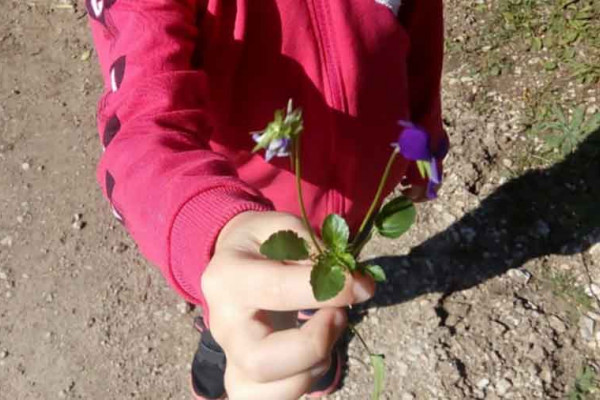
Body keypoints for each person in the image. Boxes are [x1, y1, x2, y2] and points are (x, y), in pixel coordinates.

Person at [86, 0, 447, 398]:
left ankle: (315, 322)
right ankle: (222, 331)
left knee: (331, 272)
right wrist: (213, 231)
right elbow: (141, 128)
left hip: (362, 184)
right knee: (250, 287)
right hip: (250, 210)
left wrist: (423, 146)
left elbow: (420, 39)